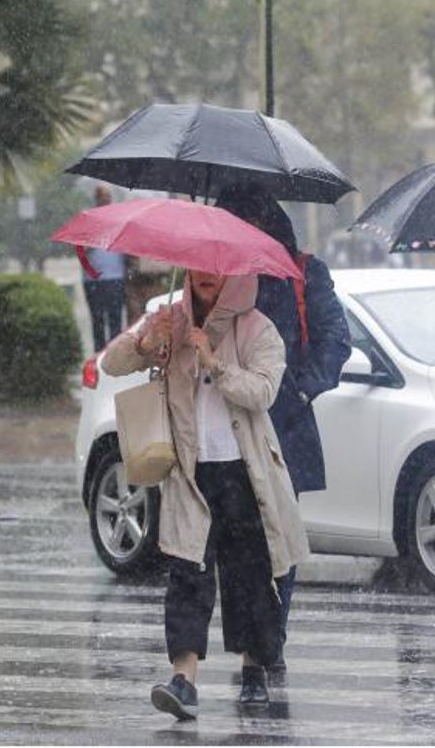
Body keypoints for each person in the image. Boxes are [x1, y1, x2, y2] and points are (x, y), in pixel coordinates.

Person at [101, 269, 310, 719]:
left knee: (250, 575)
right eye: (199, 269)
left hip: (245, 471)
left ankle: (254, 673)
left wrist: (215, 363)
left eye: (218, 271)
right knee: (186, 573)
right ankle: (184, 680)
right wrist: (145, 342)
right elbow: (111, 364)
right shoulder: (170, 321)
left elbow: (263, 391)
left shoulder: (257, 327)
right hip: (191, 475)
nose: (207, 278)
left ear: (234, 274)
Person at [214, 183, 351, 684]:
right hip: (226, 425)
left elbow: (336, 344)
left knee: (275, 540)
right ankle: (260, 646)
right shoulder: (217, 277)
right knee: (244, 542)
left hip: (281, 429)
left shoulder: (303, 274)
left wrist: (295, 393)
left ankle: (266, 644)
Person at [82, 184, 128, 350]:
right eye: (103, 197)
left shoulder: (118, 219)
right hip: (93, 279)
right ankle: (99, 354)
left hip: (115, 277)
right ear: (96, 199)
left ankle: (114, 355)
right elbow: (80, 249)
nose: (106, 200)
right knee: (98, 320)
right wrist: (95, 236)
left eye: (108, 197)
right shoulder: (88, 219)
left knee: (115, 319)